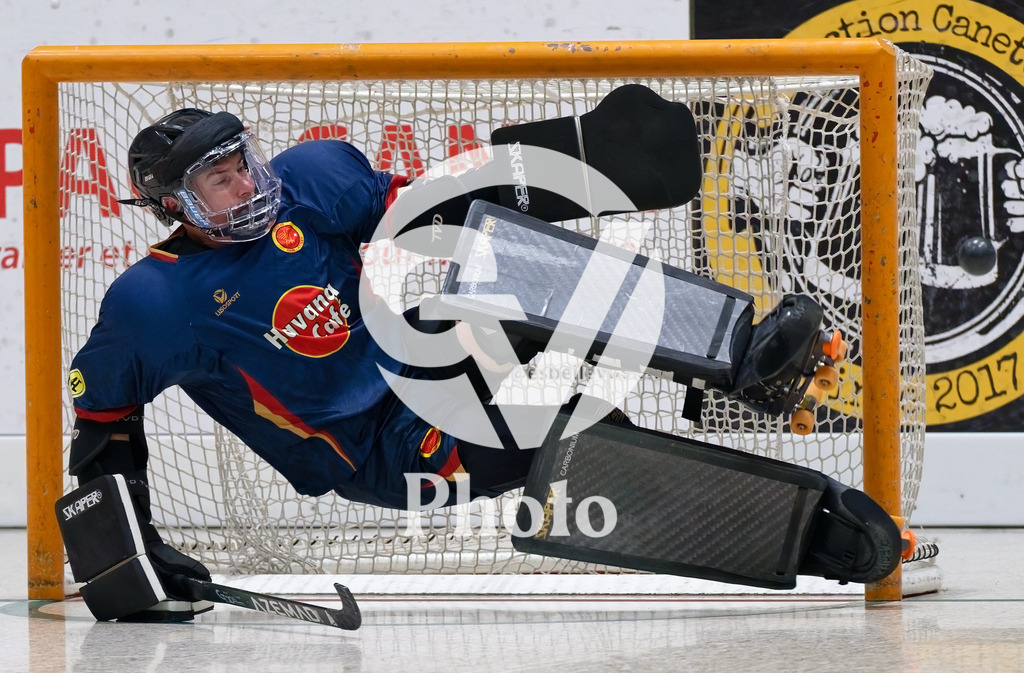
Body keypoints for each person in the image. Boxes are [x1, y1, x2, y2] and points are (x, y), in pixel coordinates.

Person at [64, 98, 852, 623]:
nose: (246, 183)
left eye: (243, 161)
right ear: (176, 206)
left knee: (499, 257)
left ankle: (746, 354)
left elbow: (432, 209)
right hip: (380, 447)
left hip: (413, 353)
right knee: (581, 438)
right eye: (220, 179)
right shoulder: (153, 305)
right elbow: (104, 419)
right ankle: (806, 538)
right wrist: (124, 551)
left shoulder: (307, 184)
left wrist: (569, 166)